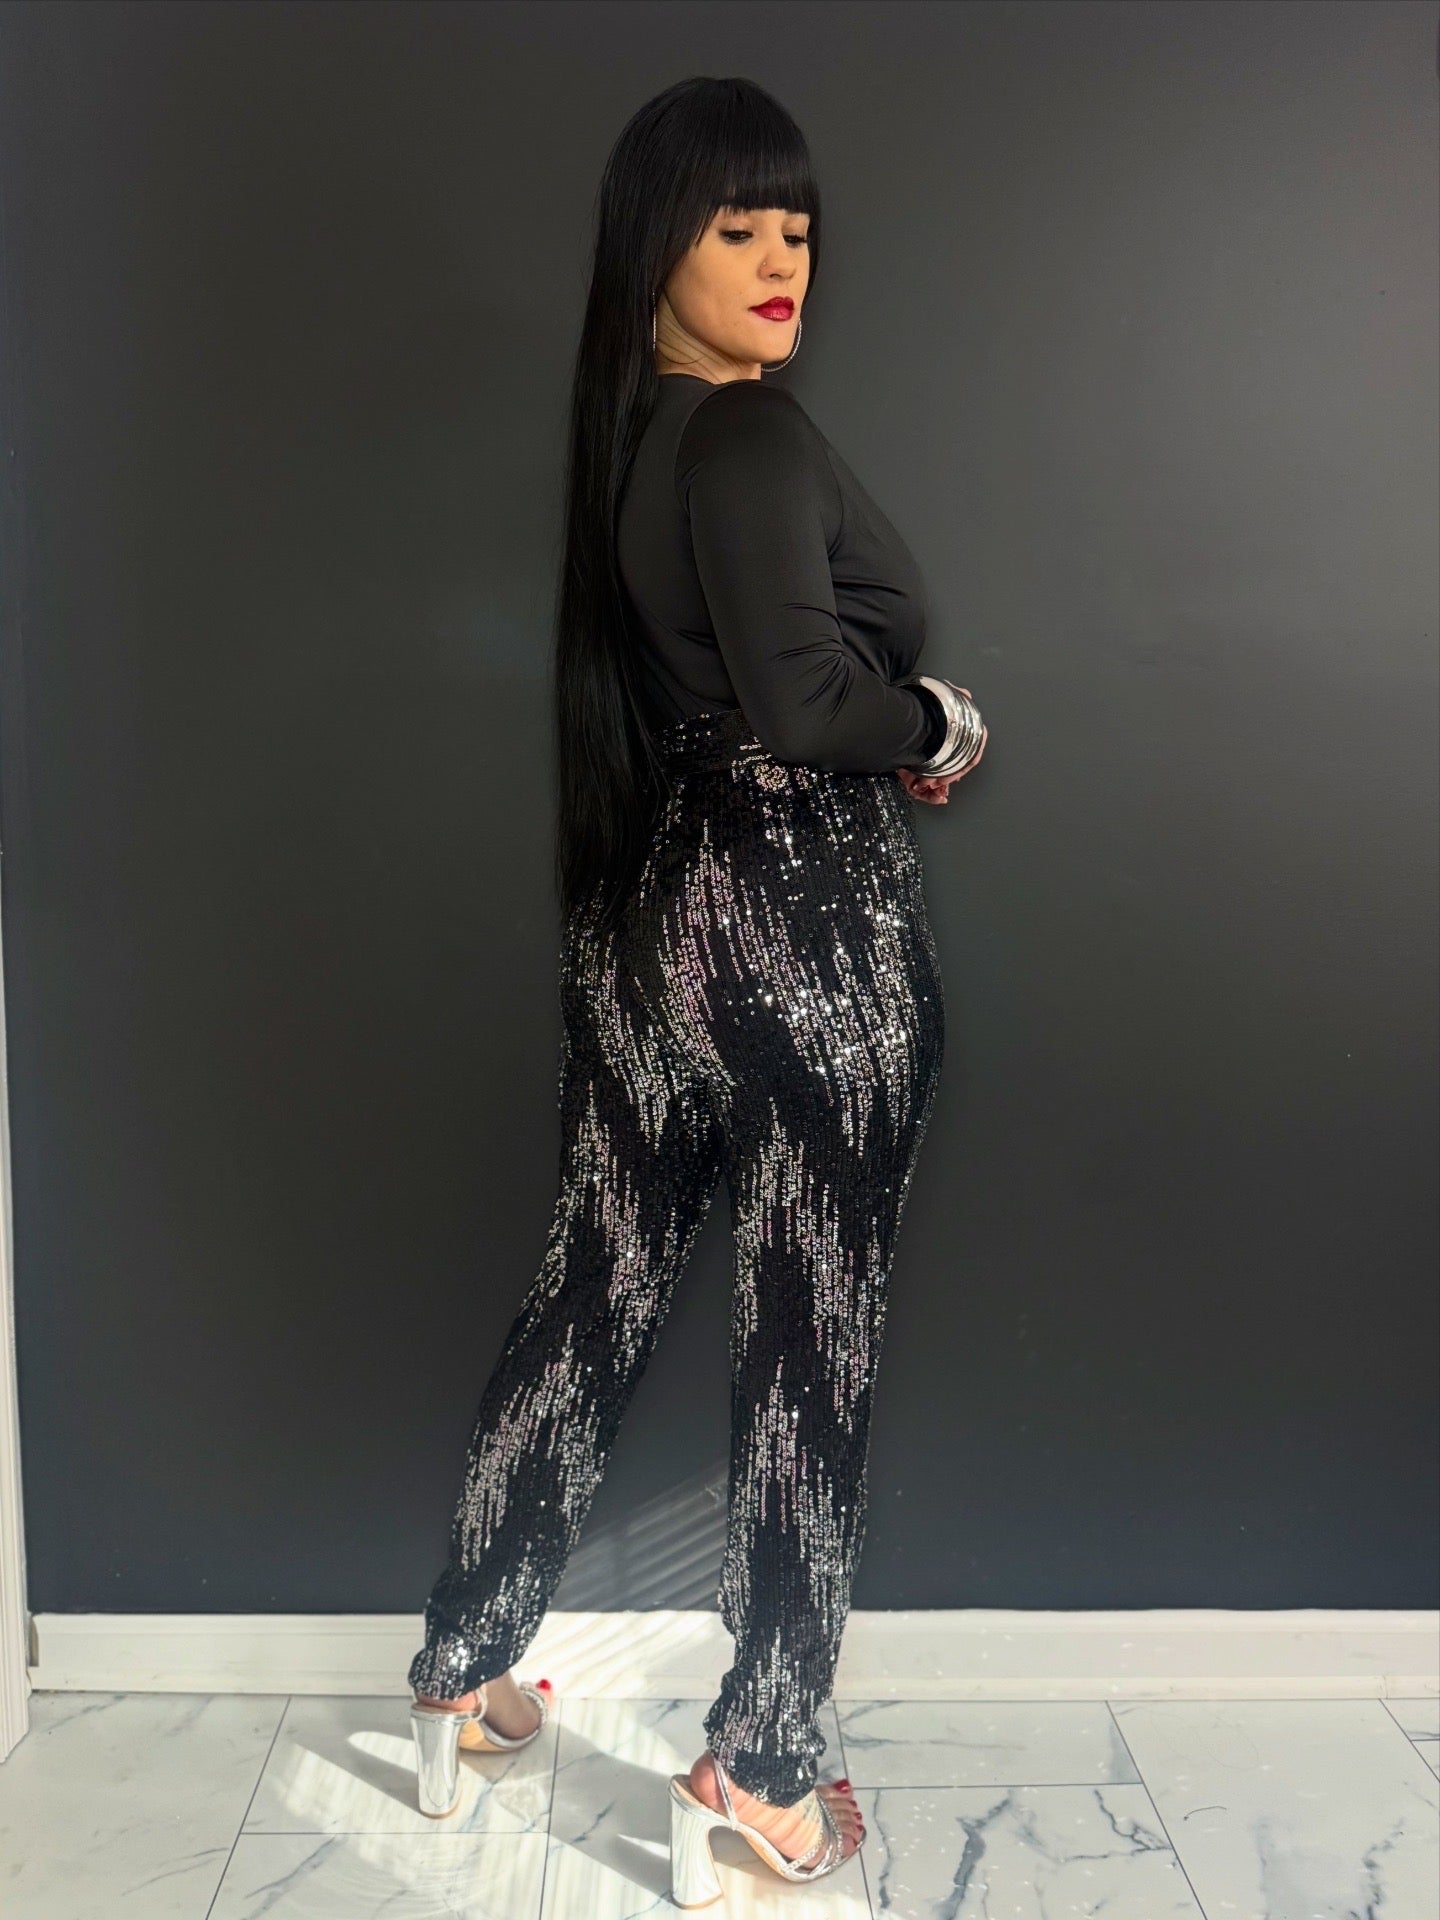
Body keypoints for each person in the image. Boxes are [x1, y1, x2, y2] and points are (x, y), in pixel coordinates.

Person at [405, 73, 986, 1897]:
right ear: (657, 243)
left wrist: (856, 709)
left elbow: (753, 677)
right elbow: (810, 704)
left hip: (651, 910)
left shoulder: (642, 446)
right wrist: (937, 724)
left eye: (795, 227)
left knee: (593, 1288)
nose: (778, 258)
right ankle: (767, 1769)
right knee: (812, 1345)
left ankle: (465, 1663)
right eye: (737, 226)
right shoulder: (745, 436)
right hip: (805, 925)